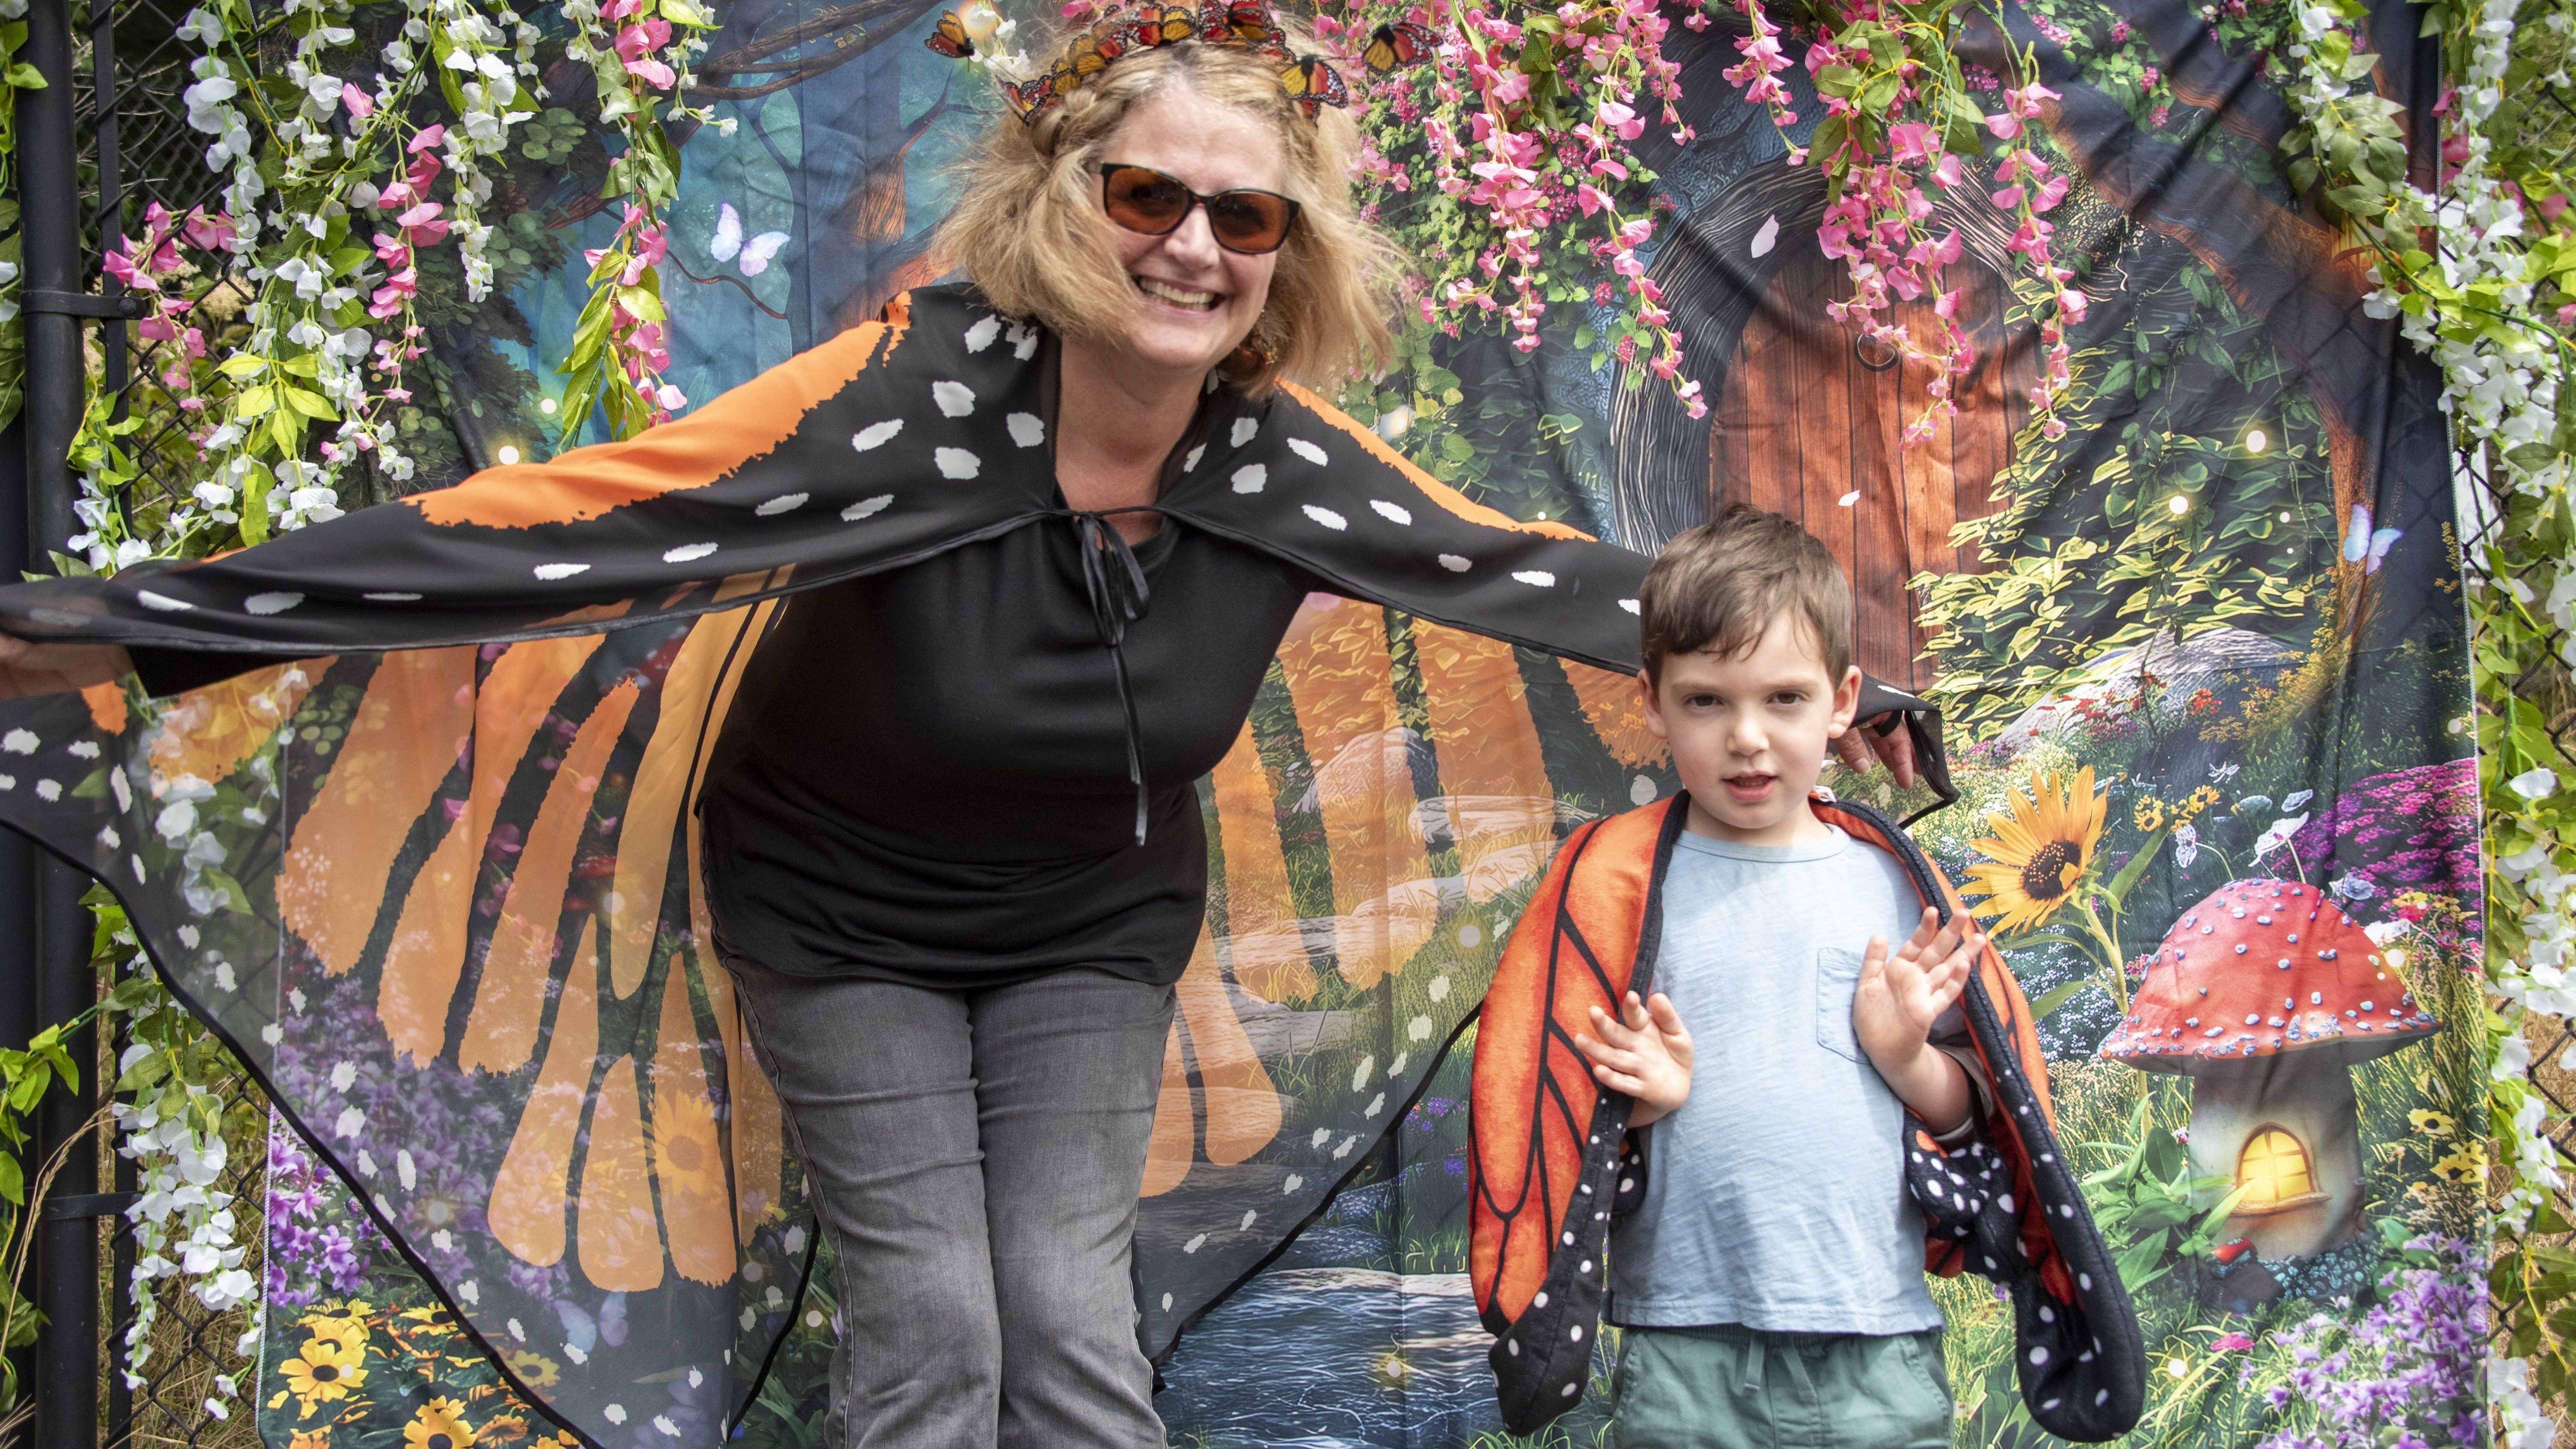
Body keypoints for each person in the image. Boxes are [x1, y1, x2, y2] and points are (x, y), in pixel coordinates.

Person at [0, 18, 1936, 1449]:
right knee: (931, 1321)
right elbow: (562, 528)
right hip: (831, 906)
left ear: (1287, 251)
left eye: (1240, 215)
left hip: (1086, 918)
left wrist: (1838, 684)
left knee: (1066, 1321)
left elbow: (1539, 581)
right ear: (1062, 205)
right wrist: (123, 633)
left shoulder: (1274, 463)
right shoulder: (904, 406)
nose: (1192, 245)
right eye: (1147, 195)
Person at [1465, 504, 2145, 1446]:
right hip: (1682, 1349)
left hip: (1878, 1347)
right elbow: (1543, 1116)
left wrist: (1909, 1059)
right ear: (1653, 702)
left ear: (1841, 700)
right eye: (1707, 701)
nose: (1747, 737)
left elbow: (1979, 1117)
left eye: (1783, 699)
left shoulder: (1893, 881)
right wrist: (1643, 1103)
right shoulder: (1609, 885)